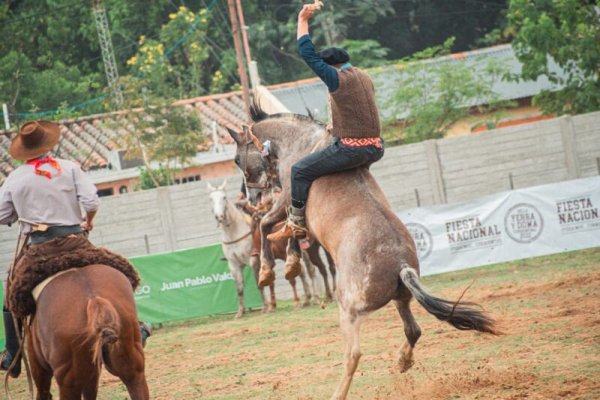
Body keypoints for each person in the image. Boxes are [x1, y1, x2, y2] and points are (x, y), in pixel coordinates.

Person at [0, 120, 150, 378]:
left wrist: (19, 214)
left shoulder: (15, 178)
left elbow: (2, 215)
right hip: (77, 242)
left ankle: (13, 355)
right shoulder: (69, 168)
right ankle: (136, 326)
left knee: (11, 294)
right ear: (48, 144)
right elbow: (91, 201)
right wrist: (88, 220)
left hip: (40, 251)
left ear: (24, 150)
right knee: (124, 273)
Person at [267, 3, 385, 243]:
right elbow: (357, 110)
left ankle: (297, 224)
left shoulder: (337, 78)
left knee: (299, 171)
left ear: (331, 67)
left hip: (352, 149)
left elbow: (307, 53)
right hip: (377, 148)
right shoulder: (364, 77)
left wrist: (303, 20)